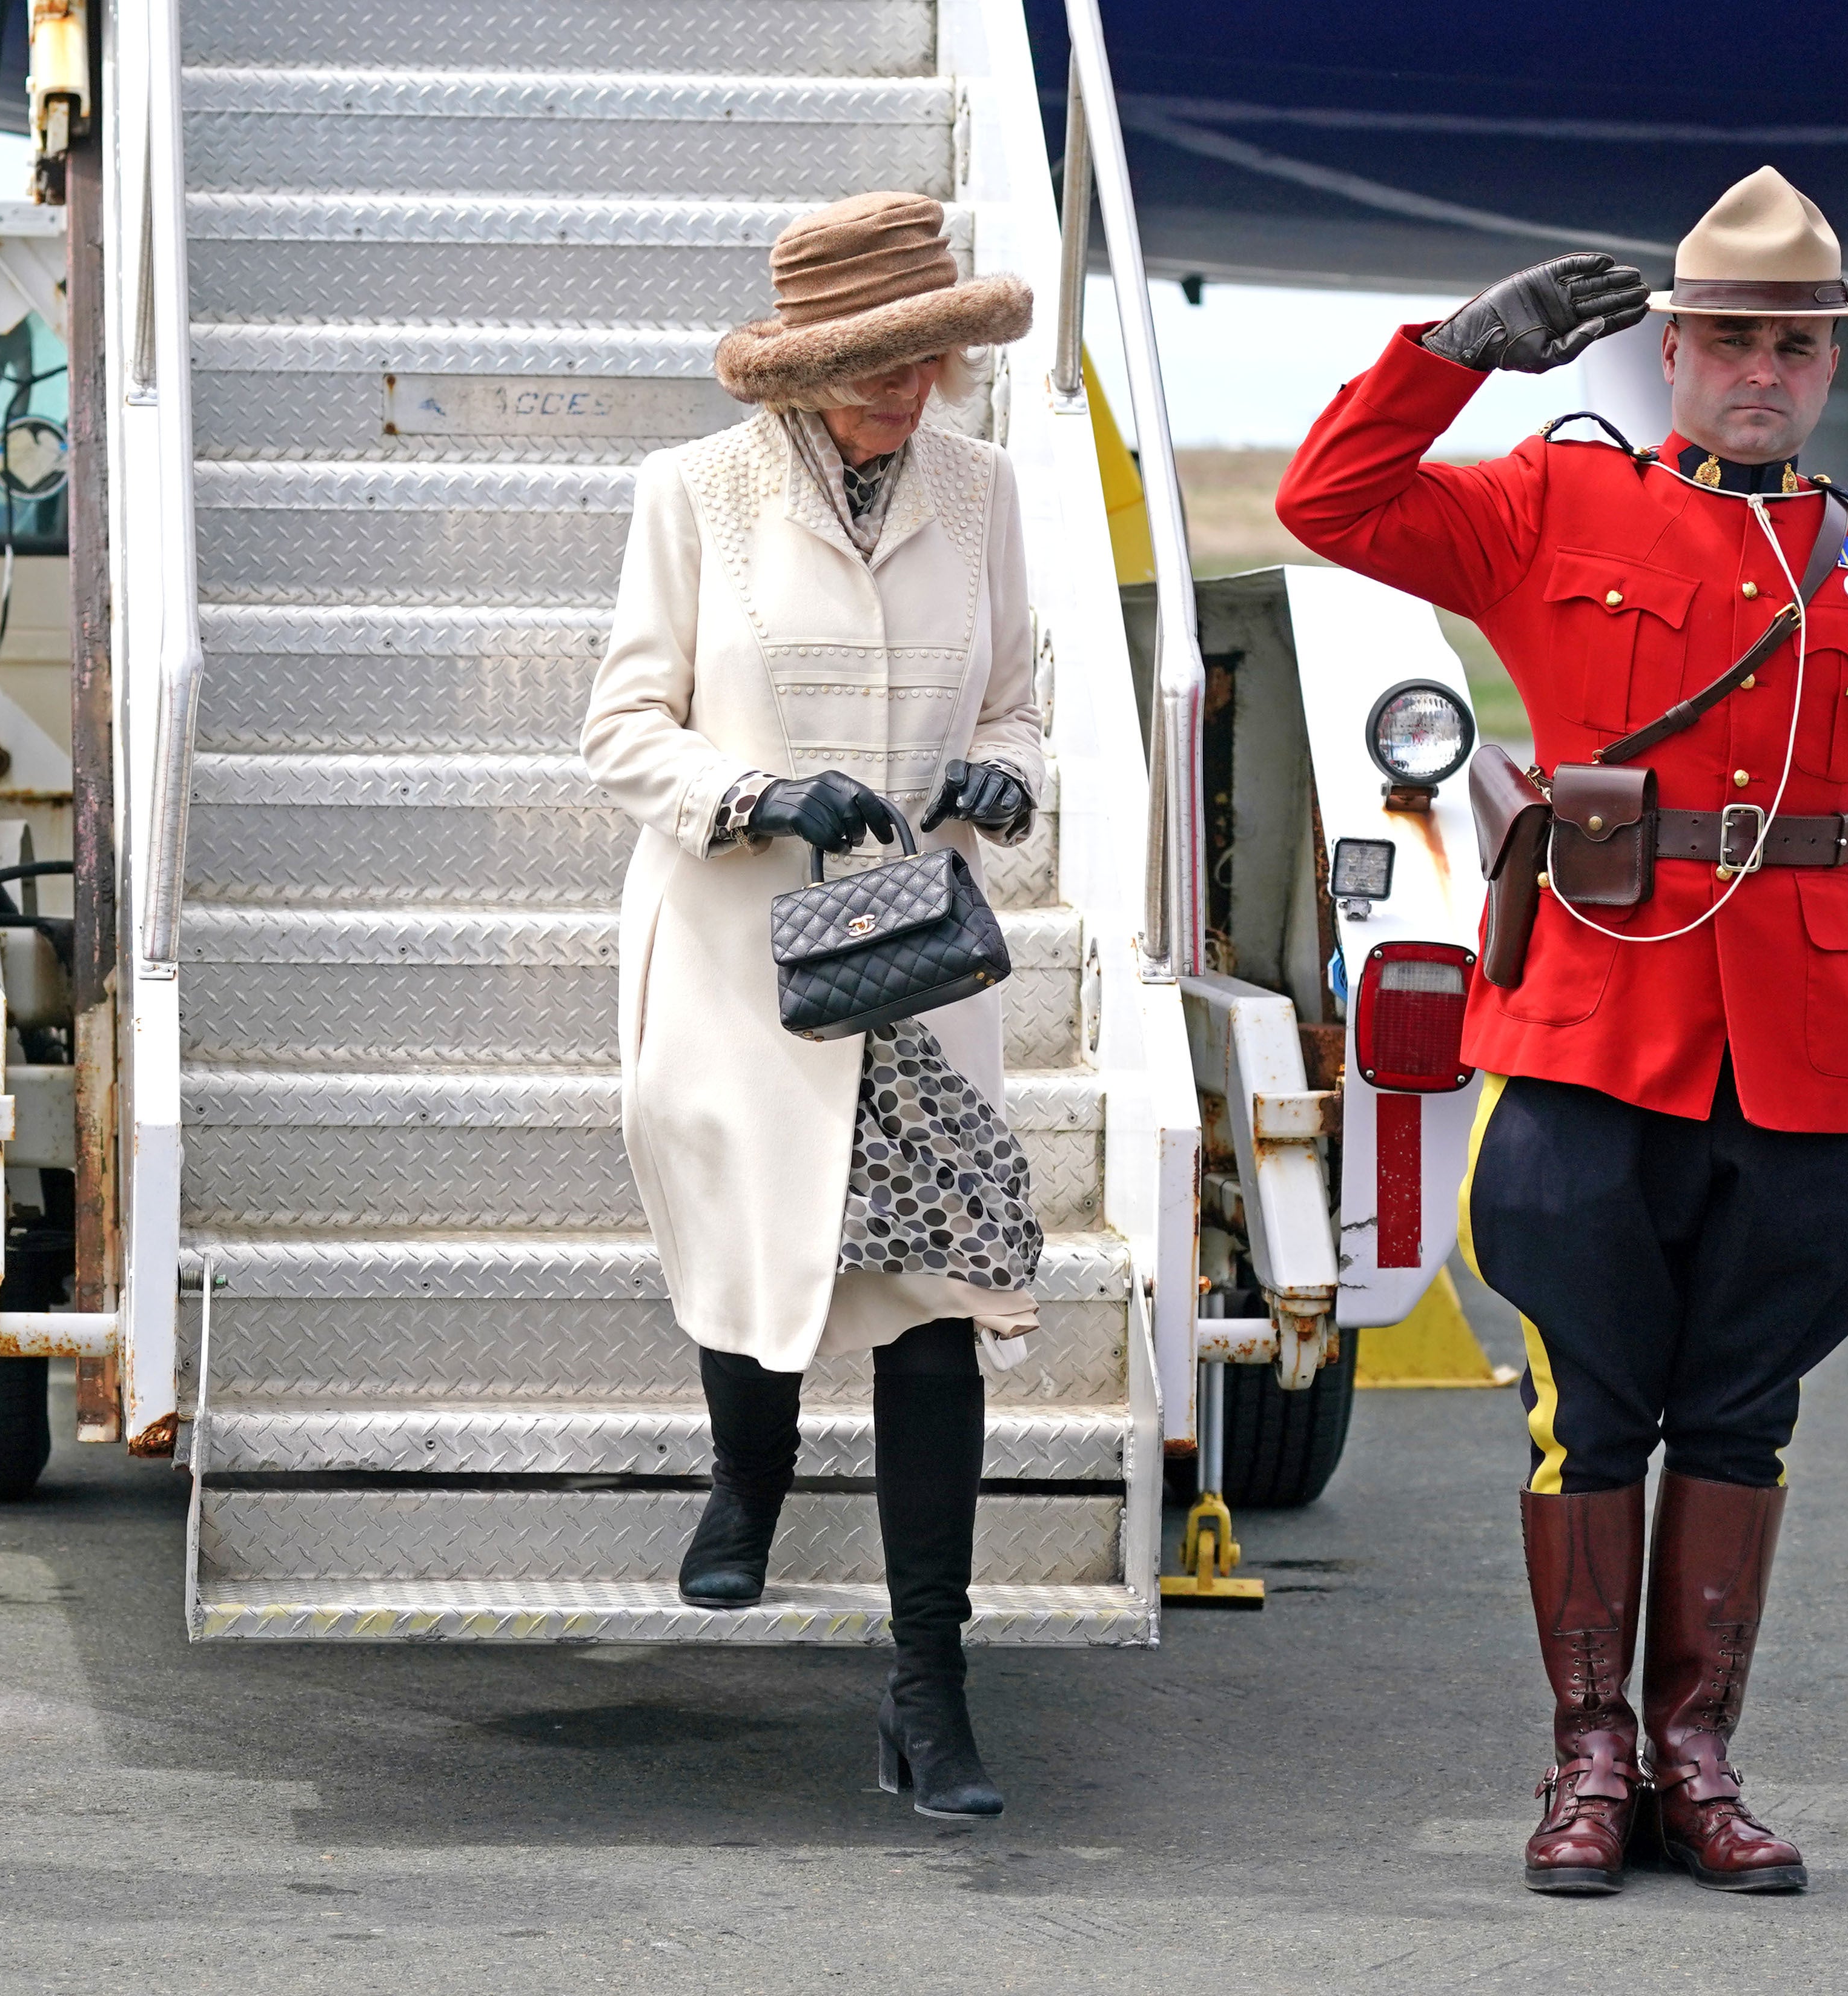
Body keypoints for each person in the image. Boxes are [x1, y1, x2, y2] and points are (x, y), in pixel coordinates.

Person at [1276, 165, 1848, 1895]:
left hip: (1805, 1057)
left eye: (1794, 349)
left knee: (1744, 1414)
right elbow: (1330, 501)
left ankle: (1699, 1761)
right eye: (1729, 339)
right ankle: (1588, 1762)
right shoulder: (1549, 508)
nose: (1761, 372)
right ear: (1669, 350)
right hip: (1597, 1032)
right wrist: (1448, 356)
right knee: (1590, 1409)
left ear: (1828, 369)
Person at [583, 191, 1042, 1819]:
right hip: (736, 952)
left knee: (932, 1318)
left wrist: (1007, 776)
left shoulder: (984, 493)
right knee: (754, 1244)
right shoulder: (693, 494)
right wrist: (765, 790)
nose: (909, 388)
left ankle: (932, 1696)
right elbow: (624, 723)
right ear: (802, 370)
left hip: (913, 961)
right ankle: (748, 1477)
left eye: (928, 357)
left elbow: (1020, 702)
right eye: (875, 364)